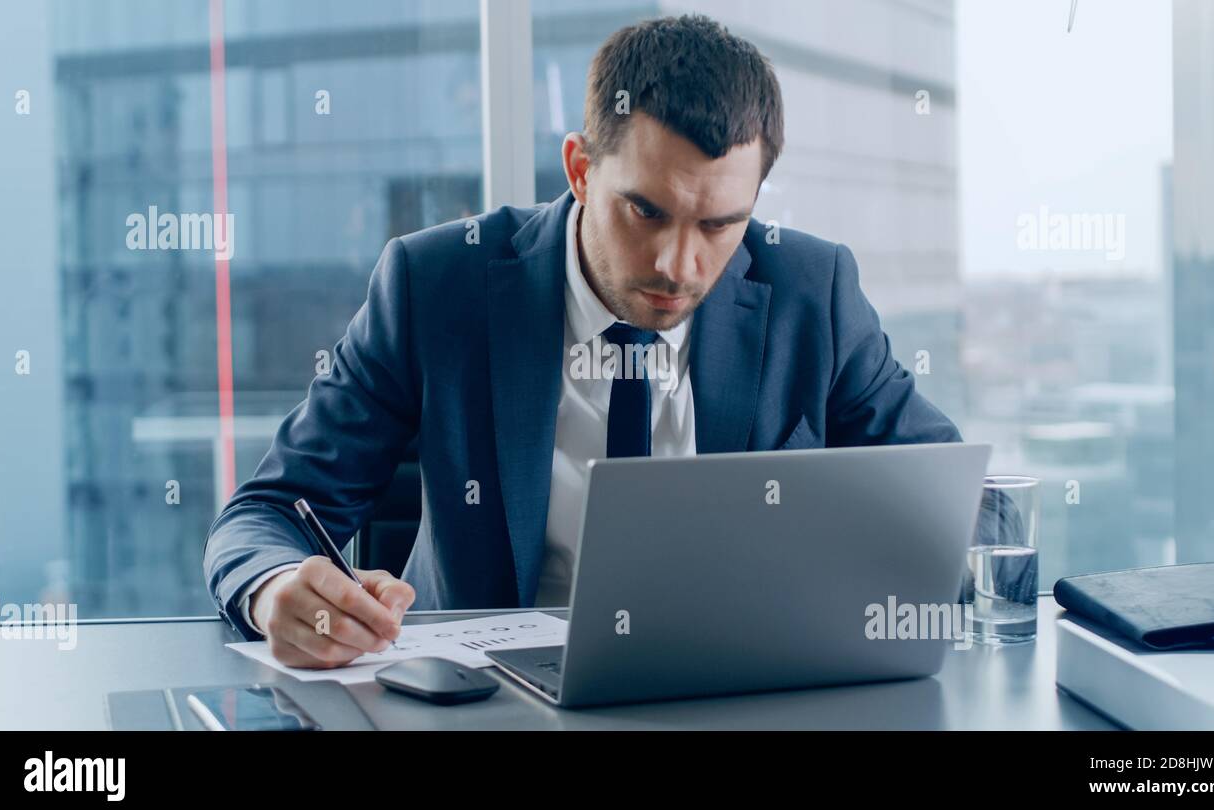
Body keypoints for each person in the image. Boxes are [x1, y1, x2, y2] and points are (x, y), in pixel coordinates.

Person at [203, 14, 964, 669]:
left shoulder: (812, 292)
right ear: (579, 169)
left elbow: (958, 507)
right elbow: (263, 515)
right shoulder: (437, 284)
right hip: (489, 705)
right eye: (646, 211)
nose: (678, 264)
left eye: (718, 225)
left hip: (733, 696)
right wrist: (276, 589)